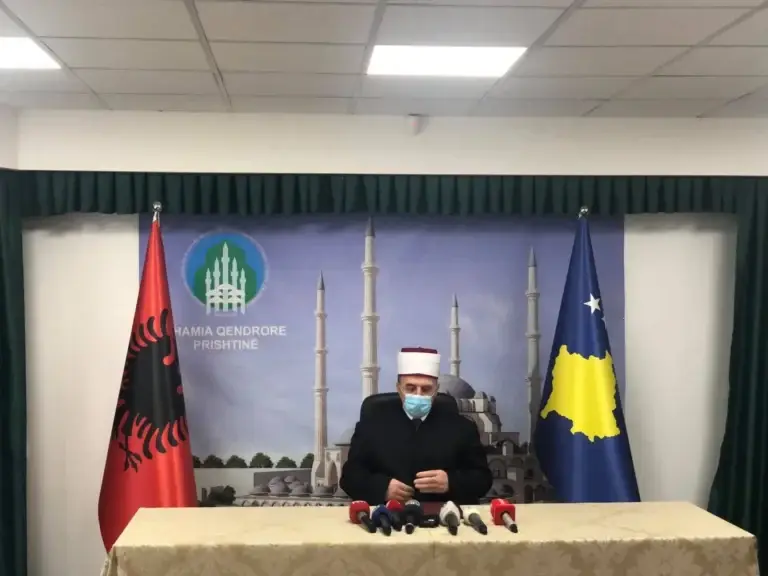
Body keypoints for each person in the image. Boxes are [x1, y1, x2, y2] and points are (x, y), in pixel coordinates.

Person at [340, 347, 492, 505]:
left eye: (426, 389)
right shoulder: (371, 425)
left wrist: (451, 483)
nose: (418, 395)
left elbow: (483, 479)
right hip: (387, 515)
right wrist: (382, 488)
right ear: (399, 389)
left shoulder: (463, 428)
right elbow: (349, 477)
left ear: (436, 390)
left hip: (443, 514)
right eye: (410, 388)